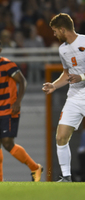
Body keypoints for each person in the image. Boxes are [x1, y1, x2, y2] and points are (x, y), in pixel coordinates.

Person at [0, 37, 43, 182]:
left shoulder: (8, 65)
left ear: (0, 50)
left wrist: (18, 102)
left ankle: (35, 167)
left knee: (8, 143)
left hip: (9, 111)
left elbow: (22, 81)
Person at [42, 13, 85, 182]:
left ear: (62, 29)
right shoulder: (62, 49)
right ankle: (66, 177)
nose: (54, 35)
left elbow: (76, 75)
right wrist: (54, 85)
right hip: (74, 97)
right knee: (61, 137)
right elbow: (66, 74)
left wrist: (81, 77)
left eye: (54, 31)